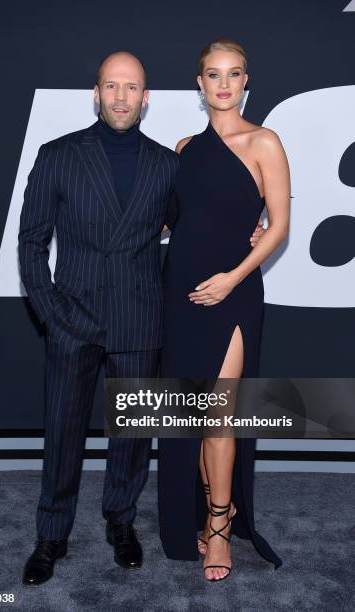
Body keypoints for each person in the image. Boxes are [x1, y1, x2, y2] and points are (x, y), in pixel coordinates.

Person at [18, 50, 265, 586]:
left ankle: (121, 523)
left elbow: (198, 218)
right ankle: (51, 536)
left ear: (146, 97)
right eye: (112, 87)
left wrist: (255, 221)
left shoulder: (165, 163)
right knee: (63, 431)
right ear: (98, 94)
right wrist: (51, 313)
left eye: (132, 88)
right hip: (71, 319)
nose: (122, 97)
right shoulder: (57, 155)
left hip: (139, 317)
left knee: (131, 436)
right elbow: (31, 242)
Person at [158, 38, 290, 582]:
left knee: (219, 417)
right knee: (191, 418)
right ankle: (211, 507)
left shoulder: (265, 142)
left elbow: (278, 226)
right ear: (200, 83)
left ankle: (219, 527)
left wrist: (233, 277)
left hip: (233, 295)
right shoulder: (185, 147)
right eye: (213, 74)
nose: (223, 84)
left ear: (245, 83)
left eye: (234, 74)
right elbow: (175, 222)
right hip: (181, 296)